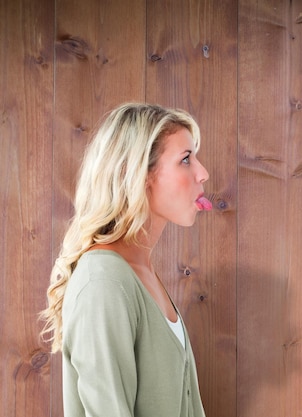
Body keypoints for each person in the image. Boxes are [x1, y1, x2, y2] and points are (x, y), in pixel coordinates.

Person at [40, 103, 212, 416]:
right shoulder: (104, 280)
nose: (203, 173)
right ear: (139, 175)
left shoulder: (138, 272)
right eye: (185, 160)